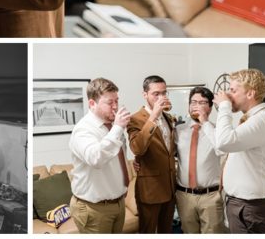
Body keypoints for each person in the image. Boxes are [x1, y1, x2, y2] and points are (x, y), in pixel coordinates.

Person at [212, 69, 265, 234]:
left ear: (250, 93)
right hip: (241, 203)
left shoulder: (261, 121)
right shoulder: (253, 119)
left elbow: (224, 142)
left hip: (248, 206)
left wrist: (224, 106)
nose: (228, 95)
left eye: (233, 90)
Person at [68, 78, 131, 234]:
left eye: (117, 100)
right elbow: (96, 158)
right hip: (94, 208)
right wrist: (117, 128)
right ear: (92, 104)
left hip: (118, 203)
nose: (115, 106)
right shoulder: (83, 130)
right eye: (110, 103)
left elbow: (117, 158)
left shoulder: (112, 126)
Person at [127, 75, 177, 233]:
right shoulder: (135, 119)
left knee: (166, 231)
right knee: (147, 232)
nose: (161, 97)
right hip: (150, 190)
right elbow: (137, 148)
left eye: (164, 93)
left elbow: (169, 149)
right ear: (145, 95)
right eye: (156, 94)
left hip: (170, 186)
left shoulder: (168, 117)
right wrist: (153, 116)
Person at [174, 86, 224, 234]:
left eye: (202, 102)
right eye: (193, 102)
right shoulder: (178, 130)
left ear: (210, 107)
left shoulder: (218, 131)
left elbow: (221, 149)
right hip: (184, 196)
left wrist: (204, 121)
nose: (196, 106)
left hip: (210, 196)